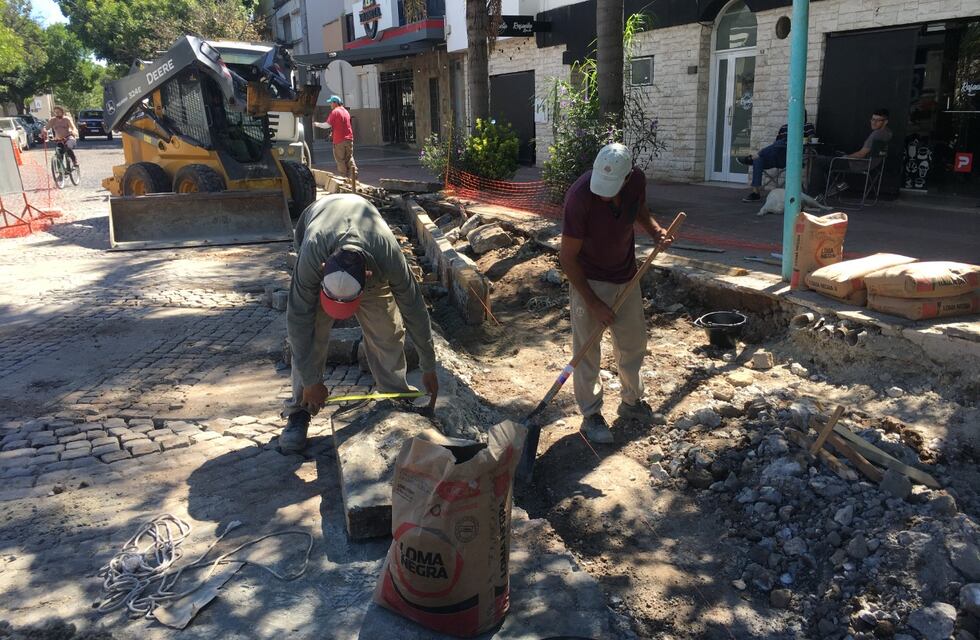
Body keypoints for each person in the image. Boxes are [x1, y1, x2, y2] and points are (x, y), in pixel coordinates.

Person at [280, 193, 439, 451]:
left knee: (387, 330)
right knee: (311, 334)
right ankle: (300, 410)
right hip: (321, 224)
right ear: (323, 269)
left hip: (369, 251)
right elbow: (297, 320)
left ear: (367, 278)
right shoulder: (312, 256)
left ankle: (395, 398)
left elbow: (414, 308)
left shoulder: (388, 256)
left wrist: (428, 365)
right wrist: (311, 381)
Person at [560, 143, 672, 444]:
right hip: (589, 279)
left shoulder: (635, 180)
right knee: (587, 349)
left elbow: (639, 209)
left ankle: (632, 402)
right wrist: (593, 302)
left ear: (626, 177)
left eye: (611, 187)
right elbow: (567, 258)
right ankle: (591, 415)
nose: (603, 193)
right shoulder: (579, 197)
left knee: (633, 342)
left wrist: (655, 231)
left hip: (626, 274)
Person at [807, 107, 893, 197]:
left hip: (858, 164)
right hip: (872, 164)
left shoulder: (876, 134)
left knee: (817, 161)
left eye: (878, 120)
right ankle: (837, 184)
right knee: (832, 155)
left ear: (885, 122)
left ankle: (812, 195)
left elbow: (861, 154)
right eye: (872, 119)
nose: (873, 122)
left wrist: (846, 157)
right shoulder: (888, 133)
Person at [738, 112, 817, 202]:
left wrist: (798, 140)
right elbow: (775, 146)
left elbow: (812, 139)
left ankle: (752, 157)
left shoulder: (807, 126)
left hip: (790, 158)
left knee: (781, 143)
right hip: (776, 156)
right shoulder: (784, 127)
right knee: (759, 160)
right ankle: (756, 193)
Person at [314, 95, 358, 192]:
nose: (330, 105)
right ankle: (354, 179)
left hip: (339, 141)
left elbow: (327, 125)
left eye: (331, 102)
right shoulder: (345, 111)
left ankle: (344, 181)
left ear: (335, 103)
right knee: (349, 158)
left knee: (340, 160)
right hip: (349, 139)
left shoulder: (335, 112)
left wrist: (317, 124)